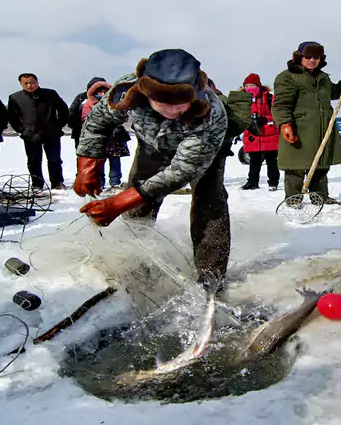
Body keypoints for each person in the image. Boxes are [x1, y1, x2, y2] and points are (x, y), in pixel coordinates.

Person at [74, 49, 230, 294]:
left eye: (181, 104)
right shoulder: (126, 91)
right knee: (136, 209)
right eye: (164, 104)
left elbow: (181, 171)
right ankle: (135, 267)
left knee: (209, 205)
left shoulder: (211, 112)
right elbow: (97, 123)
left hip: (202, 152)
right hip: (152, 146)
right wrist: (87, 165)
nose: (173, 110)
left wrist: (119, 202)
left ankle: (211, 279)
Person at [272, 41, 341, 205]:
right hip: (299, 127)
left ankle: (320, 196)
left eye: (316, 57)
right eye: (308, 57)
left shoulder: (323, 77)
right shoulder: (287, 77)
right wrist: (284, 124)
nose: (312, 60)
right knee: (296, 165)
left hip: (322, 127)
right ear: (299, 57)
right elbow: (281, 104)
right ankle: (293, 199)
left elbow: (334, 93)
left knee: (321, 164)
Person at [7, 73, 69, 190]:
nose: (29, 85)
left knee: (54, 160)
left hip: (51, 133)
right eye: (26, 83)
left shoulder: (50, 94)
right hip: (30, 134)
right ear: (21, 84)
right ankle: (37, 184)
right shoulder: (15, 97)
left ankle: (57, 183)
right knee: (33, 161)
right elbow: (12, 117)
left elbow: (63, 110)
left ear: (37, 82)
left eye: (32, 82)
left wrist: (58, 125)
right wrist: (21, 130)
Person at [230, 73, 279, 191]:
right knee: (254, 162)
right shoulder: (242, 100)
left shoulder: (269, 98)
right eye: (246, 86)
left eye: (252, 85)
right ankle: (252, 182)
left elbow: (277, 113)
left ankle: (273, 183)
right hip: (253, 134)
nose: (249, 88)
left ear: (258, 86)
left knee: (271, 161)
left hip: (269, 134)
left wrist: (265, 119)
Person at [79, 80, 131, 191]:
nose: (102, 94)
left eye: (104, 92)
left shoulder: (115, 102)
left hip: (115, 137)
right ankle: (99, 182)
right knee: (99, 161)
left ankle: (115, 182)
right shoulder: (88, 104)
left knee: (115, 160)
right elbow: (85, 119)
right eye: (99, 92)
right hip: (99, 138)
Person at [67, 76, 107, 150]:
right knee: (83, 156)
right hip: (82, 131)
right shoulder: (82, 97)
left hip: (105, 133)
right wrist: (75, 126)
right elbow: (72, 112)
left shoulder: (109, 98)